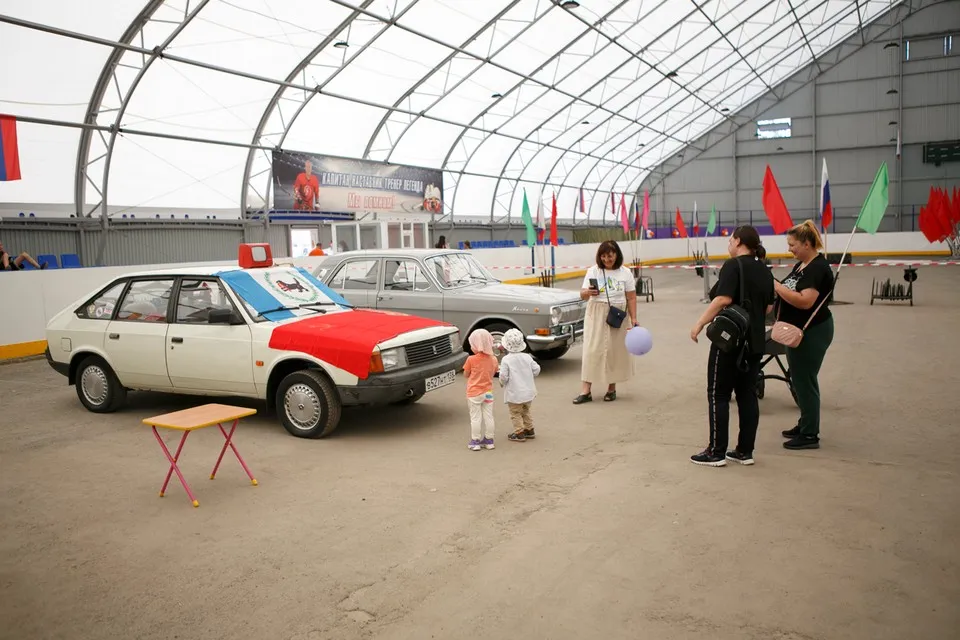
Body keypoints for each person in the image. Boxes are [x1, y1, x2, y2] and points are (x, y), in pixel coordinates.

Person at [689, 226, 775, 466]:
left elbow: (722, 299)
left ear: (738, 241)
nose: (729, 244)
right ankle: (745, 451)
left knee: (718, 394)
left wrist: (699, 324)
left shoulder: (733, 266)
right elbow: (769, 308)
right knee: (747, 394)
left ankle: (716, 451)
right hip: (755, 340)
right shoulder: (765, 269)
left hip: (730, 341)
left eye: (730, 240)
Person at [774, 220, 835, 451]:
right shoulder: (802, 265)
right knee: (799, 379)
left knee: (804, 381)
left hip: (812, 332)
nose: (790, 249)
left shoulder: (817, 268)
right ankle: (805, 423)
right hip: (797, 331)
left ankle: (810, 434)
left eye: (793, 245)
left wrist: (777, 286)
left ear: (807, 244)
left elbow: (805, 301)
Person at [574, 240, 637, 404]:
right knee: (591, 350)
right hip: (595, 312)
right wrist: (588, 292)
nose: (607, 260)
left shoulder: (625, 273)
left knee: (614, 351)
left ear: (617, 255)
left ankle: (611, 388)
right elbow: (582, 295)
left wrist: (634, 318)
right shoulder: (593, 271)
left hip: (617, 314)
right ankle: (586, 390)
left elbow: (631, 297)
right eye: (603, 256)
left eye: (610, 256)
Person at [498, 328, 541, 442]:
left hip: (515, 393)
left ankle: (519, 433)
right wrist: (530, 375)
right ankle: (529, 429)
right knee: (526, 410)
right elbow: (537, 369)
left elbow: (503, 376)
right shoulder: (527, 357)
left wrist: (502, 383)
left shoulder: (506, 360)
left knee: (515, 413)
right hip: (528, 392)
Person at [463, 328, 499, 451]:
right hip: (488, 392)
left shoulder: (471, 359)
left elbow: (466, 374)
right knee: (489, 416)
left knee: (475, 417)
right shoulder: (493, 359)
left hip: (474, 393)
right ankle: (489, 440)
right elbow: (494, 371)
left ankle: (475, 441)